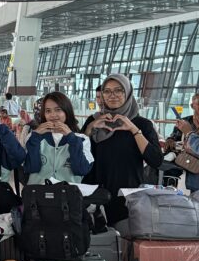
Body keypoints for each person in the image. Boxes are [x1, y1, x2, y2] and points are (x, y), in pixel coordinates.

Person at [82, 74, 162, 226]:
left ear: (128, 93)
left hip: (126, 196)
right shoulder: (93, 120)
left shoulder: (142, 124)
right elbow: (79, 153)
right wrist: (90, 129)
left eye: (118, 90)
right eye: (107, 91)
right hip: (94, 195)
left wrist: (133, 129)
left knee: (126, 237)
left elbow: (156, 160)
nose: (112, 95)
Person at [24, 92, 94, 185]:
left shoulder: (82, 139)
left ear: (67, 111)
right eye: (48, 111)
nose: (53, 115)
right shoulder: (33, 137)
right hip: (37, 192)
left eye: (58, 110)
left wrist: (72, 139)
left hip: (68, 193)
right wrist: (35, 138)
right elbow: (31, 168)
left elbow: (81, 170)